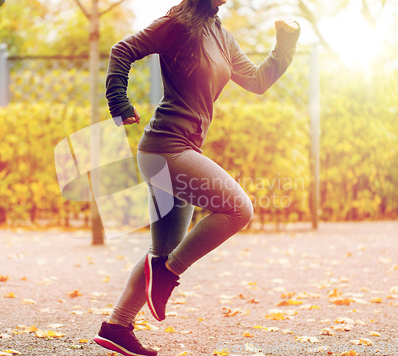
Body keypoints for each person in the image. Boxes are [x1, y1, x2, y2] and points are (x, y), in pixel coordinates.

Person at [93, 0, 301, 354]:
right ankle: (166, 276)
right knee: (239, 209)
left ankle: (116, 326)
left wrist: (285, 42)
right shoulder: (178, 23)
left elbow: (257, 81)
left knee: (162, 251)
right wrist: (119, 102)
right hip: (166, 150)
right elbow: (123, 49)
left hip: (182, 150)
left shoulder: (222, 37)